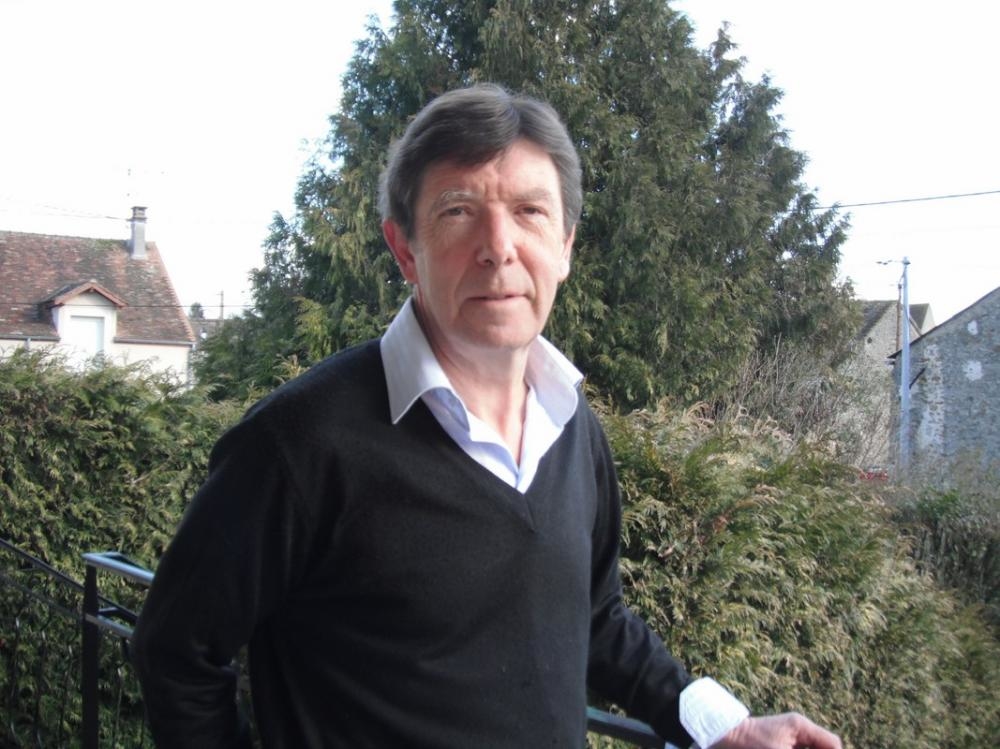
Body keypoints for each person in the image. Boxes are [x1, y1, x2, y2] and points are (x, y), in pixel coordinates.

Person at [131, 83, 841, 749]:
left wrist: (726, 728)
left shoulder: (572, 427)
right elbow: (176, 652)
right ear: (405, 250)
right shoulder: (299, 444)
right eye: (458, 211)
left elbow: (597, 618)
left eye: (530, 212)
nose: (499, 246)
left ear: (564, 247)